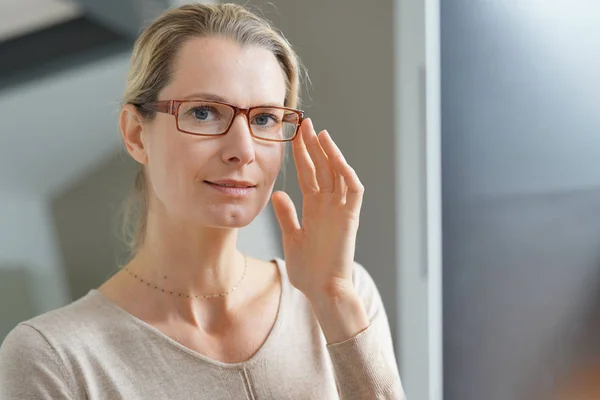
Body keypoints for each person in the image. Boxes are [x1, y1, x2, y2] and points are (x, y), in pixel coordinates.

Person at [0, 3, 404, 399]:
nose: (242, 149)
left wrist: (334, 301)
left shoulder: (346, 295)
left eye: (264, 118)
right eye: (205, 112)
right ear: (137, 135)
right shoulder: (53, 360)